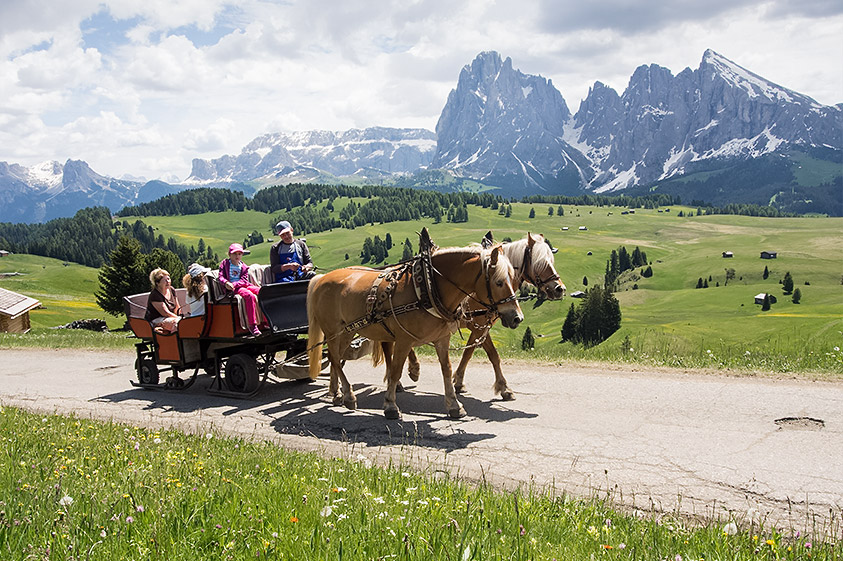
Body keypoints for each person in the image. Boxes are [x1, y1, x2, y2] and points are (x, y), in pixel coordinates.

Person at [218, 243, 262, 336]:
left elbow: (244, 280)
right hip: (233, 289)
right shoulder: (225, 264)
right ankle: (252, 325)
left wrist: (234, 284)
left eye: (239, 254)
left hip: (241, 285)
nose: (237, 256)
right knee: (249, 296)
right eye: (234, 254)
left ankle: (266, 320)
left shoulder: (244, 267)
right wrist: (226, 283)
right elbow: (220, 276)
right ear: (229, 255)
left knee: (262, 291)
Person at [145, 268, 181, 333]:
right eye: (165, 280)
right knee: (177, 323)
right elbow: (165, 313)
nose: (168, 282)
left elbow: (177, 307)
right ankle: (174, 340)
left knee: (186, 322)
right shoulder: (155, 295)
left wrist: (180, 316)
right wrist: (179, 319)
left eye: (168, 279)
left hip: (171, 317)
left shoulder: (171, 289)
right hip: (157, 319)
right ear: (157, 283)